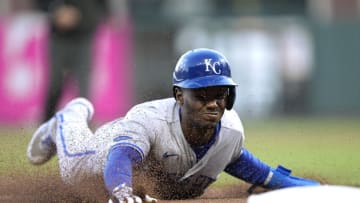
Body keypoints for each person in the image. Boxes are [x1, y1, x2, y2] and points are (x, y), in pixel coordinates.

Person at [27, 48, 320, 202]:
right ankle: (69, 117)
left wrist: (316, 190)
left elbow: (262, 174)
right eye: (201, 95)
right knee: (73, 172)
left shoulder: (231, 133)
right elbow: (121, 158)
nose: (212, 103)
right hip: (108, 148)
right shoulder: (150, 121)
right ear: (179, 95)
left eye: (219, 94)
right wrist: (121, 192)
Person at [35, 0, 108, 121]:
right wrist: (56, 10)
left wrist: (85, 17)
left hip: (84, 37)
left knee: (83, 87)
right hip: (59, 37)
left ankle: (85, 127)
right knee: (55, 84)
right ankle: (46, 124)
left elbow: (103, 7)